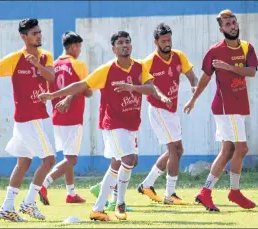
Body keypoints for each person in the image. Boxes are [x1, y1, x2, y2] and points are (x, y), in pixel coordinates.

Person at [38, 31, 170, 221]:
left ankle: (98, 209)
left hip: (131, 122)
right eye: (120, 43)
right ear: (113, 48)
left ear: (131, 46)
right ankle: (120, 203)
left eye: (127, 42)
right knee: (129, 158)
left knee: (118, 164)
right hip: (113, 123)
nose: (125, 45)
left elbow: (150, 88)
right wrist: (53, 95)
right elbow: (82, 85)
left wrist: (134, 88)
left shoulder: (140, 67)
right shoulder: (107, 69)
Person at [184, 9, 258, 211]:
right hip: (226, 107)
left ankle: (205, 192)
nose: (232, 26)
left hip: (240, 105)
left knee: (227, 151)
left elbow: (251, 71)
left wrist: (228, 67)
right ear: (221, 29)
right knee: (241, 149)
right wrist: (193, 99)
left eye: (234, 23)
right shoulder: (214, 51)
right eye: (227, 25)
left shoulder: (247, 48)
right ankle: (233, 192)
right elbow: (205, 79)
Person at [0, 18, 55, 221]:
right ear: (24, 37)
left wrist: (38, 65)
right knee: (49, 160)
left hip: (35, 119)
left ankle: (6, 208)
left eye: (39, 32)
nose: (39, 35)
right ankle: (29, 203)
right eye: (34, 33)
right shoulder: (14, 59)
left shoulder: (45, 56)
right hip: (26, 119)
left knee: (23, 162)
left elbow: (51, 77)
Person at [137, 23, 198, 205]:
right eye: (163, 40)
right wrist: (160, 96)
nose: (167, 43)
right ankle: (170, 194)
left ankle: (147, 185)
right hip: (158, 109)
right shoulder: (149, 62)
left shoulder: (179, 56)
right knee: (174, 150)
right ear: (156, 42)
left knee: (177, 150)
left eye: (169, 39)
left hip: (172, 110)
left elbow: (192, 77)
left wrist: (195, 86)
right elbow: (145, 86)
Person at [38, 31, 91, 206]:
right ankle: (44, 184)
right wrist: (80, 93)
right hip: (73, 116)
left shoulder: (53, 65)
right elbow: (87, 90)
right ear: (74, 46)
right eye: (79, 47)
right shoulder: (79, 64)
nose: (80, 50)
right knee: (72, 159)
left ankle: (71, 193)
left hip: (57, 117)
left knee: (68, 156)